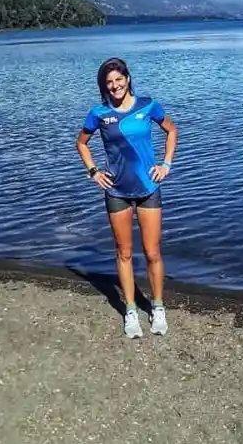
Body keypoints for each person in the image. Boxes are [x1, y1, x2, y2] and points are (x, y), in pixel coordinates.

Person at [76, 56, 178, 338]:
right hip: (116, 190)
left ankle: (157, 307)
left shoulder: (148, 106)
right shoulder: (99, 113)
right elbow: (81, 143)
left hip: (148, 188)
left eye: (119, 80)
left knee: (153, 252)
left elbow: (171, 130)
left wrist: (166, 164)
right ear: (104, 87)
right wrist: (94, 171)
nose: (115, 86)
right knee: (123, 253)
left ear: (128, 79)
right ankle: (131, 311)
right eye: (109, 83)